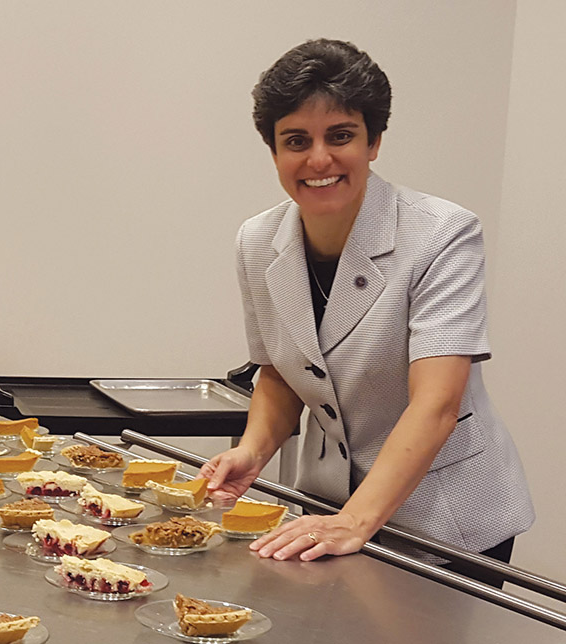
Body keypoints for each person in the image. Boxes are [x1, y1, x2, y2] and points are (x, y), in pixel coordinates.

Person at [200, 39, 534, 584]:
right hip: (328, 504)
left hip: (447, 517)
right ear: (274, 151)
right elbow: (280, 376)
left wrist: (356, 520)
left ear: (374, 141)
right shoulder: (257, 242)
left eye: (341, 136)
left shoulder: (441, 233)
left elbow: (438, 403)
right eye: (296, 141)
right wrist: (253, 450)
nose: (318, 159)